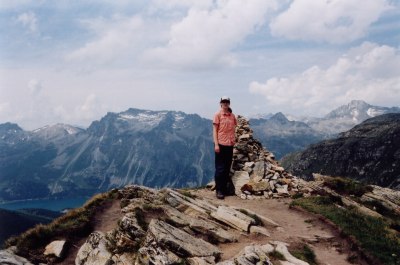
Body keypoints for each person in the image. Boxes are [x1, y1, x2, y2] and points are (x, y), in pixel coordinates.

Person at [213, 96, 237, 199]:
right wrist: (216, 144)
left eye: (227, 102)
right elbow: (215, 130)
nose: (225, 103)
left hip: (229, 145)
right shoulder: (218, 115)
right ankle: (219, 190)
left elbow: (234, 128)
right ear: (221, 103)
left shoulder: (232, 116)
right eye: (224, 102)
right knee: (220, 168)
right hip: (221, 144)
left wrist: (233, 139)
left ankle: (224, 189)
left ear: (229, 103)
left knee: (227, 168)